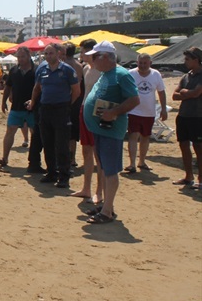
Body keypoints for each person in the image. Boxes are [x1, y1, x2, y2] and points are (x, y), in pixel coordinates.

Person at [82, 41, 140, 223]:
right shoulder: (107, 73)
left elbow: (134, 99)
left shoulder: (121, 75)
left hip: (110, 131)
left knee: (110, 170)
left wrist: (114, 112)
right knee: (105, 168)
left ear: (105, 57)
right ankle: (108, 206)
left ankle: (107, 212)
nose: (92, 60)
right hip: (100, 129)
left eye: (95, 56)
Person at [26, 43, 80, 188]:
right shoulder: (42, 69)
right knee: (47, 143)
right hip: (45, 109)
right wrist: (33, 102)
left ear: (58, 53)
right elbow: (37, 88)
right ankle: (51, 173)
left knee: (62, 145)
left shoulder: (67, 70)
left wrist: (68, 105)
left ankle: (64, 176)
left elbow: (76, 90)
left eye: (51, 53)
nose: (48, 56)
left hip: (61, 110)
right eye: (46, 53)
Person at [71, 39, 103, 204]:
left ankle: (99, 191)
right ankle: (86, 188)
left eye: (83, 51)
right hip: (85, 109)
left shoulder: (101, 69)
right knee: (86, 151)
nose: (81, 54)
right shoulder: (85, 69)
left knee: (99, 154)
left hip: (97, 113)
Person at [124, 53, 167, 173]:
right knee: (133, 135)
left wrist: (163, 109)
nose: (142, 66)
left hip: (149, 112)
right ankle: (132, 163)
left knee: (146, 137)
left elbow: (161, 92)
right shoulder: (131, 73)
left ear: (150, 63)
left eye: (145, 63)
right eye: (140, 63)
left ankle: (141, 161)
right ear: (137, 62)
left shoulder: (155, 74)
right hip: (134, 110)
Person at [0, 47, 35, 167]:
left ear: (29, 56)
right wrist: (3, 101)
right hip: (16, 107)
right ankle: (5, 158)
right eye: (18, 57)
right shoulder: (14, 70)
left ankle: (34, 161)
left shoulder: (37, 70)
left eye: (22, 56)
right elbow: (8, 87)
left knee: (35, 135)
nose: (20, 59)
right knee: (9, 132)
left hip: (32, 109)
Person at [171, 47, 202, 189]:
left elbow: (196, 93)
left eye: (187, 59)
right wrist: (186, 93)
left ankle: (201, 179)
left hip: (198, 116)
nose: (185, 62)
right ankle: (188, 176)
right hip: (183, 115)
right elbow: (174, 95)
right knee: (183, 145)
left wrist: (185, 93)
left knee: (198, 147)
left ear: (196, 59)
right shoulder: (186, 76)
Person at [62, 43, 84, 169]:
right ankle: (72, 159)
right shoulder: (79, 66)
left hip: (65, 100)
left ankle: (66, 157)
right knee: (73, 132)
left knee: (63, 131)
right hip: (77, 100)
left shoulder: (63, 65)